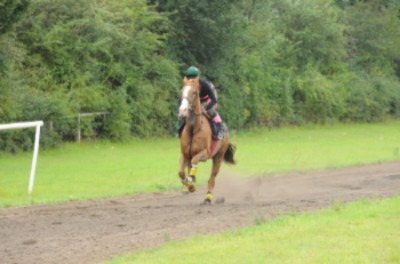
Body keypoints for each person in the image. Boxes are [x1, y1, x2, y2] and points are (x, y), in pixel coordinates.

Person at [178, 66, 225, 140]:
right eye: (189, 77)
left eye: (193, 77)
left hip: (209, 97)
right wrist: (181, 111)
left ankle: (220, 126)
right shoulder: (187, 87)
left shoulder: (204, 85)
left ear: (198, 77)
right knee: (188, 112)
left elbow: (213, 100)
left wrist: (205, 108)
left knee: (210, 111)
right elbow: (182, 100)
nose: (191, 80)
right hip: (195, 99)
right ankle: (181, 130)